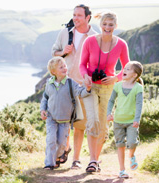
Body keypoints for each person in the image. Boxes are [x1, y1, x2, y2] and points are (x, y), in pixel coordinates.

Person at [79, 11, 130, 173]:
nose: (107, 27)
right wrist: (86, 76)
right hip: (91, 87)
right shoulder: (90, 41)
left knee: (102, 126)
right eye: (105, 24)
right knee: (93, 121)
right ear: (100, 25)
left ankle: (95, 160)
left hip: (109, 88)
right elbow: (82, 65)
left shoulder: (121, 44)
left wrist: (115, 78)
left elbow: (127, 68)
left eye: (111, 24)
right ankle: (92, 160)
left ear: (115, 26)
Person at [51, 4, 97, 169]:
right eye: (74, 15)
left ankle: (76, 159)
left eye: (79, 15)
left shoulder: (94, 37)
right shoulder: (65, 33)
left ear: (87, 18)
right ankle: (63, 149)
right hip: (63, 85)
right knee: (62, 122)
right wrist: (63, 51)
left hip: (82, 87)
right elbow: (54, 53)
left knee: (79, 124)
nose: (75, 18)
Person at [40, 56, 91, 170]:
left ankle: (57, 157)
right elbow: (45, 98)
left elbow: (80, 92)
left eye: (65, 66)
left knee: (62, 144)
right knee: (51, 140)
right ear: (53, 72)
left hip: (65, 119)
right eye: (61, 67)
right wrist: (42, 110)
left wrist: (87, 89)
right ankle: (49, 163)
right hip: (51, 118)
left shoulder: (70, 83)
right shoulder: (49, 83)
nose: (64, 68)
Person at [107, 61, 143, 178]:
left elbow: (139, 105)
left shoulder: (138, 88)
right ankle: (122, 170)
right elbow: (111, 100)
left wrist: (137, 119)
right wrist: (109, 113)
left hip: (132, 122)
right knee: (120, 145)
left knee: (132, 143)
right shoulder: (117, 85)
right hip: (118, 121)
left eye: (128, 69)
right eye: (124, 68)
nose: (124, 70)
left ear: (135, 75)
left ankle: (131, 155)